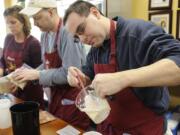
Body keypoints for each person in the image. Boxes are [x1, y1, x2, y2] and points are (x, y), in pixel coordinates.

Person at [63, 1, 180, 135]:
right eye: (77, 37)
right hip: (112, 128)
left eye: (82, 29)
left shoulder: (138, 32)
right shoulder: (95, 48)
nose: (82, 39)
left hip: (146, 129)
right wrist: (80, 78)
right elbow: (89, 77)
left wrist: (122, 78)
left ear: (95, 13)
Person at [13, 0, 90, 130]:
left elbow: (70, 73)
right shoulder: (45, 34)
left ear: (50, 12)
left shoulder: (68, 32)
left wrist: (37, 74)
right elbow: (47, 63)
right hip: (55, 96)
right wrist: (26, 75)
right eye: (33, 19)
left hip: (72, 99)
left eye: (37, 18)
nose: (35, 24)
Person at [0, 5, 44, 108]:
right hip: (12, 92)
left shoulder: (33, 44)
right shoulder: (8, 38)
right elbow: (2, 60)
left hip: (31, 94)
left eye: (13, 22)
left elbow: (39, 73)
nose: (10, 26)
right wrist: (1, 69)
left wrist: (20, 82)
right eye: (7, 22)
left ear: (23, 22)